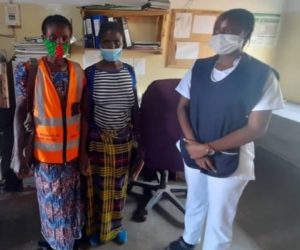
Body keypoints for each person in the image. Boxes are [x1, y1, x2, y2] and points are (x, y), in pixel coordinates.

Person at [167, 9, 284, 250]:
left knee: (220, 217)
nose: (222, 35)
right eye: (218, 30)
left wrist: (207, 149)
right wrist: (193, 146)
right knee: (195, 200)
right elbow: (182, 107)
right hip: (193, 148)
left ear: (246, 34)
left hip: (230, 156)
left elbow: (256, 128)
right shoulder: (199, 68)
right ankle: (189, 240)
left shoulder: (262, 76)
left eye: (230, 31)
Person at [12, 15, 86, 250]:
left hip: (73, 158)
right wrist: (17, 153)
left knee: (71, 208)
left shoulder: (78, 72)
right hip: (45, 159)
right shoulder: (29, 71)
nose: (59, 42)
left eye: (65, 37)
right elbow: (20, 112)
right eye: (53, 37)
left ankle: (67, 243)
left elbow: (83, 115)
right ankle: (58, 245)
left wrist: (83, 153)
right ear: (44, 39)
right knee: (53, 208)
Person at [82, 21, 140, 246]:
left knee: (119, 190)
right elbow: (86, 115)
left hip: (124, 141)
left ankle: (117, 228)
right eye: (107, 41)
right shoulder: (91, 74)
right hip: (98, 142)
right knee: (98, 191)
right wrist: (84, 153)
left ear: (123, 43)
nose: (112, 45)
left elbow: (134, 107)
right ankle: (96, 229)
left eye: (117, 42)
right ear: (99, 43)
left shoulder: (129, 71)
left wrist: (140, 143)